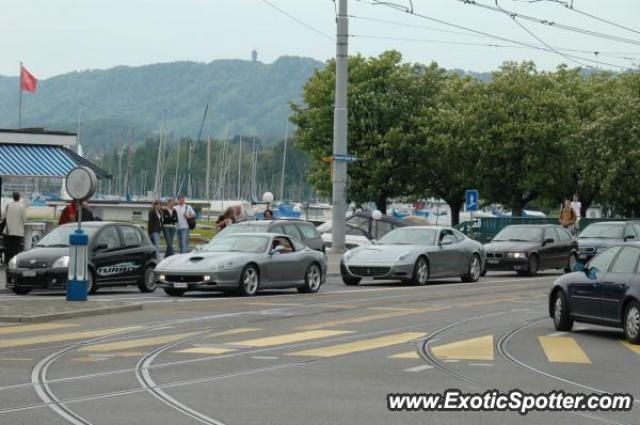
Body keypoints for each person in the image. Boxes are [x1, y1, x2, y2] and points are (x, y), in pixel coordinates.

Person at [2, 192, 26, 264]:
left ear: (13, 197)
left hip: (8, 231)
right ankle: (14, 262)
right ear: (19, 197)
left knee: (8, 247)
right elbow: (24, 219)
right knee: (16, 248)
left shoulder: (8, 205)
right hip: (18, 232)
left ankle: (7, 261)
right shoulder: (22, 206)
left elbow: (3, 216)